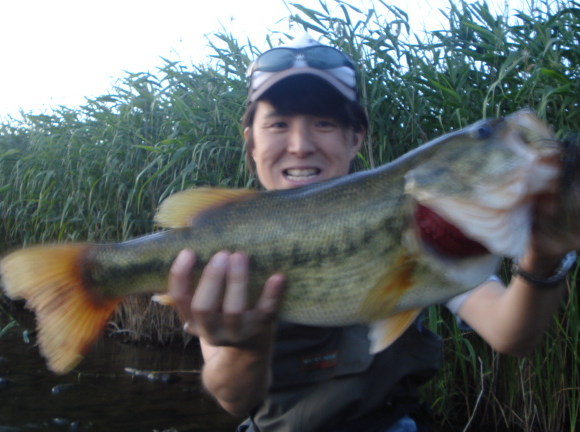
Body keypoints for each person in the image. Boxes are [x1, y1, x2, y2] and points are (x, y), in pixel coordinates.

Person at [166, 33, 579, 431]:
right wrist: (246, 348)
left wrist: (544, 256)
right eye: (277, 125)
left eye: (324, 123)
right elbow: (233, 399)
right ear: (251, 143)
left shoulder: (430, 218)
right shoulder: (226, 241)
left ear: (356, 138)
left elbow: (510, 333)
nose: (300, 145)